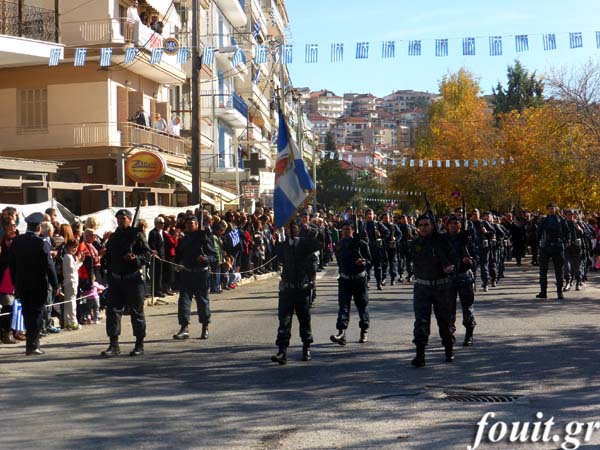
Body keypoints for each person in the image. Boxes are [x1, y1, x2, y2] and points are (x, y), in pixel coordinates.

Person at [101, 209, 152, 357]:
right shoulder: (114, 236)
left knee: (136, 313)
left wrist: (135, 258)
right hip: (116, 280)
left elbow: (147, 254)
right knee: (112, 312)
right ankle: (114, 344)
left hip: (133, 279)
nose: (121, 220)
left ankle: (139, 344)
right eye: (118, 218)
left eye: (123, 218)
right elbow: (109, 257)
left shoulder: (137, 235)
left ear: (130, 219)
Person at [409, 214, 457, 367]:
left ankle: (449, 349)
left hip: (442, 286)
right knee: (421, 321)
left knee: (445, 320)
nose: (424, 228)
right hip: (422, 287)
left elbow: (454, 258)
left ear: (432, 226)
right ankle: (420, 354)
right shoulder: (415, 243)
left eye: (427, 225)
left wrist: (451, 267)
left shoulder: (443, 241)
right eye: (421, 225)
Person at [271, 222, 320, 365]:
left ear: (298, 230)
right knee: (284, 320)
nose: (290, 230)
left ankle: (306, 347)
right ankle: (282, 350)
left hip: (302, 289)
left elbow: (317, 244)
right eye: (288, 228)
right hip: (287, 289)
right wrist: (279, 234)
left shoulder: (305, 244)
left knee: (304, 320)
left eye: (293, 228)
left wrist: (309, 230)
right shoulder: (285, 245)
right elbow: (276, 251)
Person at [10, 212, 59, 355]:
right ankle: (33, 344)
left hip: (22, 283)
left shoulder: (17, 241)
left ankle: (29, 344)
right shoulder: (41, 243)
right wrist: (56, 284)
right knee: (37, 313)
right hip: (38, 283)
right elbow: (49, 265)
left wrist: (15, 281)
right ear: (39, 227)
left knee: (27, 312)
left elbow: (12, 264)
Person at [172, 215, 216, 340]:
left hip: (200, 274)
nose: (189, 225)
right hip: (186, 273)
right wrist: (179, 263)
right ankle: (184, 328)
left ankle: (205, 327)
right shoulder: (184, 239)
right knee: (184, 301)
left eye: (192, 223)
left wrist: (205, 259)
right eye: (187, 224)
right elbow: (179, 255)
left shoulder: (204, 237)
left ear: (197, 224)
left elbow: (213, 256)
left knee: (202, 301)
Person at [330, 221, 372, 346]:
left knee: (362, 305)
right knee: (343, 306)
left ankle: (364, 329)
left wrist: (363, 261)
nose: (346, 232)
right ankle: (341, 333)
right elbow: (340, 259)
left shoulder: (361, 244)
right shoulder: (339, 245)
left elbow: (370, 261)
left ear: (353, 230)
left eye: (348, 229)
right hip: (345, 279)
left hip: (359, 279)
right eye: (344, 230)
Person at [446, 215, 476, 346]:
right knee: (448, 309)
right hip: (448, 278)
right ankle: (449, 334)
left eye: (456, 223)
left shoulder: (467, 239)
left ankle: (469, 333)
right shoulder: (443, 240)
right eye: (451, 223)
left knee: (467, 308)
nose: (453, 225)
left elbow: (476, 255)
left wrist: (470, 260)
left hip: (465, 277)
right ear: (446, 225)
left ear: (460, 225)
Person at [536, 203, 570, 299]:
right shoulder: (544, 220)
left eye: (553, 208)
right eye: (549, 208)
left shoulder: (561, 220)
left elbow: (567, 232)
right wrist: (538, 244)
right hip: (545, 247)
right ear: (547, 209)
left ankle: (559, 292)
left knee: (559, 271)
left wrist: (566, 241)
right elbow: (539, 232)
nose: (551, 210)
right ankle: (543, 292)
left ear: (556, 209)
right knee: (543, 270)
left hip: (557, 246)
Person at [62, 239, 82, 331]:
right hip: (71, 281)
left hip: (70, 281)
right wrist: (79, 262)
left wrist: (79, 262)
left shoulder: (69, 256)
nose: (75, 249)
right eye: (73, 247)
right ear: (68, 246)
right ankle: (73, 321)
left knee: (69, 302)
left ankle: (68, 321)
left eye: (76, 247)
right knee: (72, 302)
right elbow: (72, 270)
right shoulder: (68, 256)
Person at [148, 216, 166, 297]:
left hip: (162, 256)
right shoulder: (153, 233)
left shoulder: (161, 232)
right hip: (156, 256)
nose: (163, 224)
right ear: (156, 224)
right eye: (161, 223)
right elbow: (152, 244)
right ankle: (156, 290)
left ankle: (160, 288)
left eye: (163, 223)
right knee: (156, 274)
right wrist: (155, 253)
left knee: (160, 273)